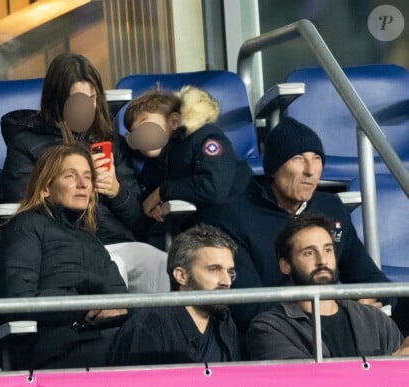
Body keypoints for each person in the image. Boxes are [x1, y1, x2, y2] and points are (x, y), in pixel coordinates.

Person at [200, 117, 393, 333]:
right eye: (298, 159)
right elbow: (248, 305)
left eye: (317, 158)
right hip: (271, 335)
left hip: (334, 327)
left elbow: (373, 280)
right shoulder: (233, 216)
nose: (310, 170)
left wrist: (367, 300)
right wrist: (334, 311)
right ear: (273, 169)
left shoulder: (331, 207)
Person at [1, 52, 169, 293]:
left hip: (116, 241)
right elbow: (23, 208)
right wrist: (73, 174)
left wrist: (116, 190)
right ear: (58, 100)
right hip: (64, 245)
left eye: (92, 98)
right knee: (114, 268)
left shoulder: (110, 141)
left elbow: (139, 221)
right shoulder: (26, 143)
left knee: (161, 264)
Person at [0, 143, 128, 370]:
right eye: (70, 176)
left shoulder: (92, 240)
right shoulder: (26, 225)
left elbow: (121, 297)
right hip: (56, 343)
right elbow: (18, 299)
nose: (83, 184)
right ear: (46, 187)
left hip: (107, 335)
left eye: (88, 176)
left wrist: (121, 309)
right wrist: (85, 308)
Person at [247, 213, 409, 360]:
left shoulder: (374, 319)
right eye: (309, 252)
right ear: (286, 265)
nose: (322, 261)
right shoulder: (270, 328)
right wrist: (390, 361)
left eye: (328, 250)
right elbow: (306, 381)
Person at [108, 224, 241, 366]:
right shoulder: (149, 326)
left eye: (230, 272)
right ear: (181, 276)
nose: (226, 281)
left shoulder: (224, 320)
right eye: (214, 269)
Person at [123, 86, 253, 222]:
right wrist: (156, 203)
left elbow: (213, 188)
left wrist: (163, 192)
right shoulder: (155, 164)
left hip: (238, 219)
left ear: (174, 121)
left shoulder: (204, 137)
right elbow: (150, 193)